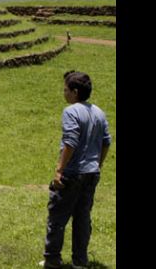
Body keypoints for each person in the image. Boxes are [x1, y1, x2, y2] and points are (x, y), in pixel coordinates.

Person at [40, 71, 112, 269]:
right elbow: (107, 141)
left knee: (57, 217)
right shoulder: (99, 112)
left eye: (65, 90)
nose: (64, 93)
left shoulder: (71, 112)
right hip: (92, 173)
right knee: (82, 218)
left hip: (72, 174)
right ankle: (80, 262)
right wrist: (98, 163)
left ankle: (52, 260)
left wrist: (58, 170)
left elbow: (70, 143)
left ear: (75, 92)